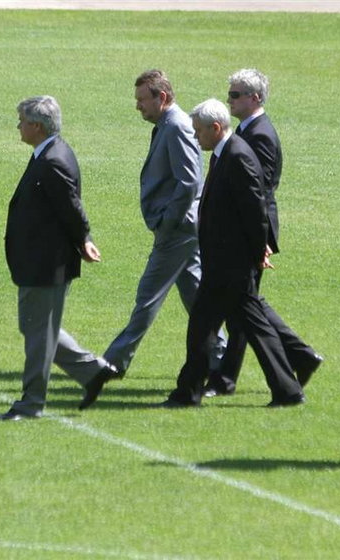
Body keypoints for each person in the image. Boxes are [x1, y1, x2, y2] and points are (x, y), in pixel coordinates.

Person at [160, 99, 304, 408]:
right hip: (223, 262)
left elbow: (255, 209)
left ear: (215, 128)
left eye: (198, 131)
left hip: (231, 264)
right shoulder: (224, 153)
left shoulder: (238, 156)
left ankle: (188, 393)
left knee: (204, 327)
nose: (195, 138)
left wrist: (257, 251)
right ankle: (287, 389)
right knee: (248, 327)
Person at [98, 70, 225, 395]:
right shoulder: (166, 126)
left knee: (147, 297)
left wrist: (167, 222)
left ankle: (112, 363)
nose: (138, 106)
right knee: (197, 298)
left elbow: (189, 181)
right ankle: (221, 362)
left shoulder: (178, 126)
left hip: (177, 230)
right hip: (181, 228)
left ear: (162, 98)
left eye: (143, 99)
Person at [0, 95, 118, 421]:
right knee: (37, 327)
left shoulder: (53, 160)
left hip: (46, 264)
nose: (18, 126)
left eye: (21, 120)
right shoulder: (48, 153)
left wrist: (84, 239)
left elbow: (72, 208)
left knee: (38, 333)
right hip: (38, 262)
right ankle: (94, 371)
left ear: (36, 126)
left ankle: (30, 403)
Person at [204, 68, 322, 398]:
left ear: (255, 98)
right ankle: (298, 356)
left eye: (235, 94)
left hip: (251, 234)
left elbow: (259, 190)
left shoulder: (261, 135)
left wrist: (259, 242)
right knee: (245, 305)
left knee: (244, 306)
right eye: (230, 93)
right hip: (246, 233)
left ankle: (232, 377)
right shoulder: (248, 130)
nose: (230, 99)